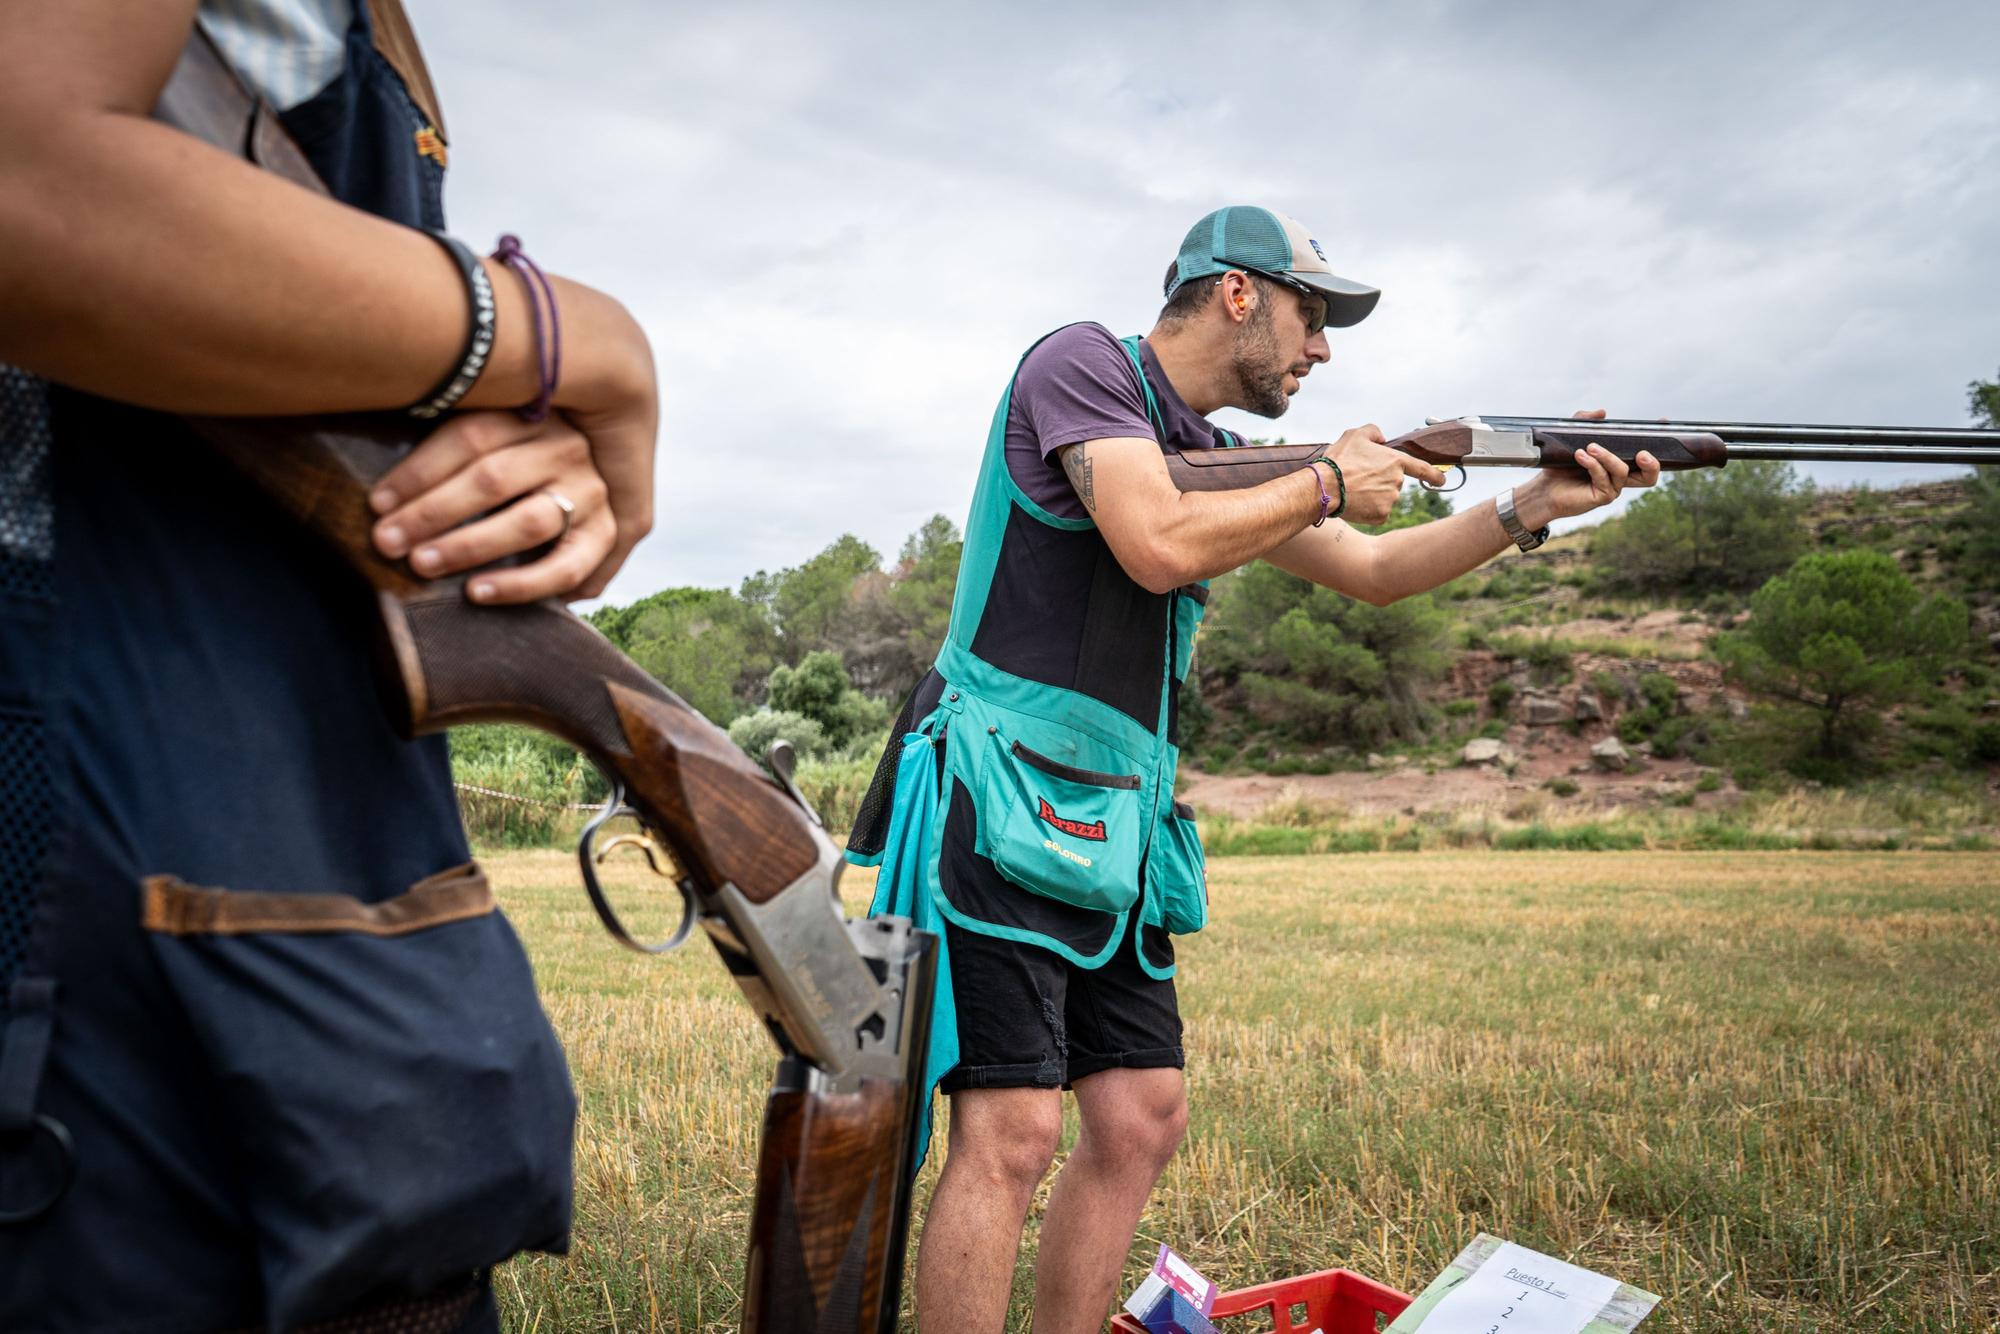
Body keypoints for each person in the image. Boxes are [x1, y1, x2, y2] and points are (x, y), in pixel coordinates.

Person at [844, 205, 1659, 1332]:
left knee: (1139, 1113)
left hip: (1111, 816)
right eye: (1309, 315)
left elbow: (1375, 570)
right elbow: (1156, 538)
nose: (1318, 349)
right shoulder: (1078, 363)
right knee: (1014, 1129)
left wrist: (1529, 508)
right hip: (997, 790)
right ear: (1237, 291)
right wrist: (1325, 477)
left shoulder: (1224, 461)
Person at [0, 2, 657, 1328]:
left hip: (269, 870)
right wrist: (554, 336)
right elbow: (25, 164)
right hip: (89, 858)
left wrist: (509, 456)